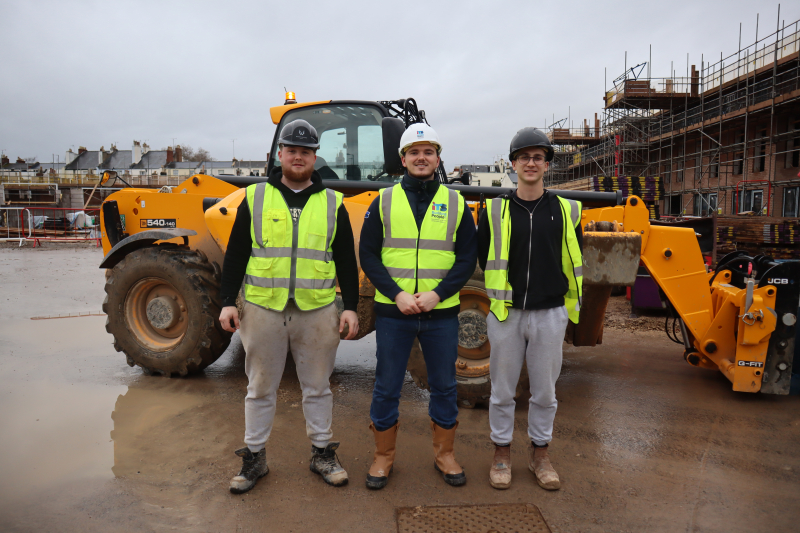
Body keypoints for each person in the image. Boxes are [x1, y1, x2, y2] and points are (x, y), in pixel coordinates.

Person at [218, 119, 360, 494]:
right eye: (292, 150)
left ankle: (322, 454)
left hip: (317, 310)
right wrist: (225, 302)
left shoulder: (332, 203)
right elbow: (235, 255)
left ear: (315, 157)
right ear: (279, 154)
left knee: (317, 387)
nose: (298, 157)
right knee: (260, 387)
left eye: (306, 151)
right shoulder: (255, 197)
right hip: (263, 308)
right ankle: (254, 459)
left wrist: (349, 307)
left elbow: (346, 258)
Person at [359, 124, 477, 489]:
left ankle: (445, 455)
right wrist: (397, 294)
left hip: (440, 314)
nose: (421, 157)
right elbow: (369, 255)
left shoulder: (456, 203)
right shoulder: (383, 201)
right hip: (395, 313)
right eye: (414, 152)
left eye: (428, 151)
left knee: (444, 385)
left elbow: (466, 258)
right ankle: (382, 457)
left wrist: (436, 294)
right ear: (403, 159)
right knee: (386, 386)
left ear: (438, 158)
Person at [477, 127, 583, 491]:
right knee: (502, 391)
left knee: (545, 393)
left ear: (547, 164)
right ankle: (502, 453)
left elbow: (573, 256)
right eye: (524, 157)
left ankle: (540, 454)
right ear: (513, 164)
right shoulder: (494, 210)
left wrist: (567, 310)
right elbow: (484, 254)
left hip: (550, 314)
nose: (531, 163)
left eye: (539, 157)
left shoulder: (567, 210)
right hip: (507, 313)